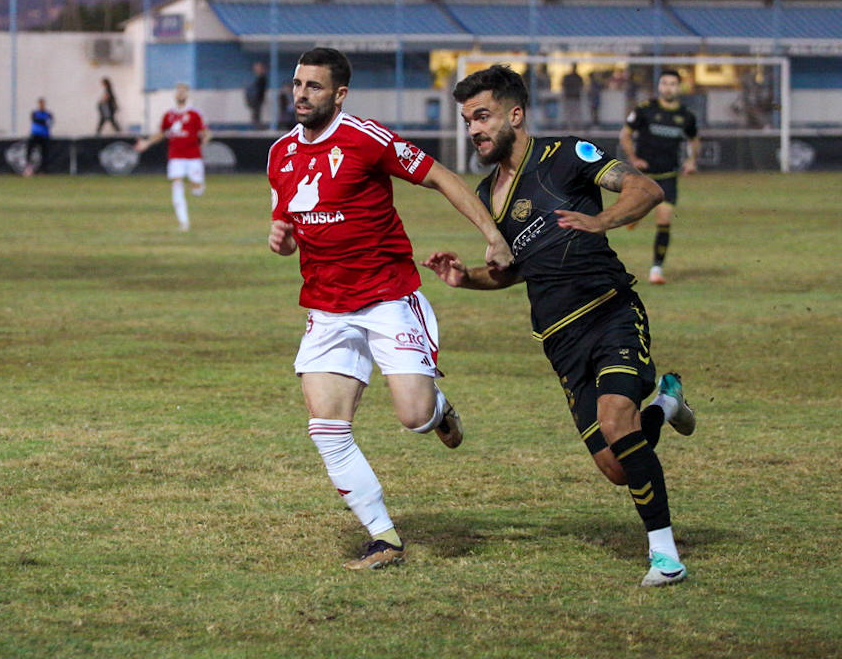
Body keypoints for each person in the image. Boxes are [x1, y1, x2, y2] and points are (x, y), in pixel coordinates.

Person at [424, 63, 697, 588]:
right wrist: (468, 279)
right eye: (467, 120)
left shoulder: (565, 155)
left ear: (515, 114)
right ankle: (665, 404)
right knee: (619, 467)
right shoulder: (487, 196)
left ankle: (665, 556)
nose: (475, 129)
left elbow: (644, 190)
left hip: (609, 311)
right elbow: (517, 272)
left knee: (618, 421)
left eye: (483, 116)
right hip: (560, 342)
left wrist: (601, 219)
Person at [267, 47, 514, 571]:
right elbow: (288, 224)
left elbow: (442, 176)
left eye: (313, 86)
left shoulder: (365, 138)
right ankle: (384, 538)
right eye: (296, 84)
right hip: (327, 309)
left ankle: (437, 408)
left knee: (414, 417)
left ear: (339, 95)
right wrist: (281, 237)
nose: (300, 94)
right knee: (327, 427)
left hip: (387, 299)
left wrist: (492, 235)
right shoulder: (280, 154)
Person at [619, 69, 700, 284]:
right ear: (659, 86)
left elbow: (694, 140)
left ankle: (656, 269)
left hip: (668, 176)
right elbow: (625, 134)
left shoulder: (686, 116)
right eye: (665, 83)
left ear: (679, 87)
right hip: (643, 176)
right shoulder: (645, 110)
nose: (668, 87)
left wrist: (691, 161)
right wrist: (633, 157)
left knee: (664, 219)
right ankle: (637, 214)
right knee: (629, 214)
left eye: (673, 84)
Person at [134, 83, 211, 232]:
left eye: (183, 92)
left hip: (193, 155)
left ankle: (197, 185)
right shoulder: (169, 115)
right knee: (176, 184)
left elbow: (205, 132)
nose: (180, 94)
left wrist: (204, 140)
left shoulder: (195, 114)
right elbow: (161, 133)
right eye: (178, 92)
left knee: (197, 189)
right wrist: (146, 143)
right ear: (175, 95)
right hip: (176, 155)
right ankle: (184, 223)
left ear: (187, 95)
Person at [26, 97, 53, 175]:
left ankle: (43, 170)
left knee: (44, 153)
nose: (41, 105)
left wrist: (43, 121)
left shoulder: (48, 114)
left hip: (44, 136)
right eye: (40, 103)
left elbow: (50, 123)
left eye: (43, 103)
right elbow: (35, 120)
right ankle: (28, 168)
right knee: (30, 150)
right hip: (35, 134)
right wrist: (44, 121)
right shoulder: (35, 113)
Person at [244, 61, 268, 128]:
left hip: (258, 98)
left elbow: (259, 88)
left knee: (256, 113)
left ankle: (258, 125)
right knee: (256, 113)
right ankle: (256, 125)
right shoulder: (259, 78)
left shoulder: (262, 78)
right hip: (257, 98)